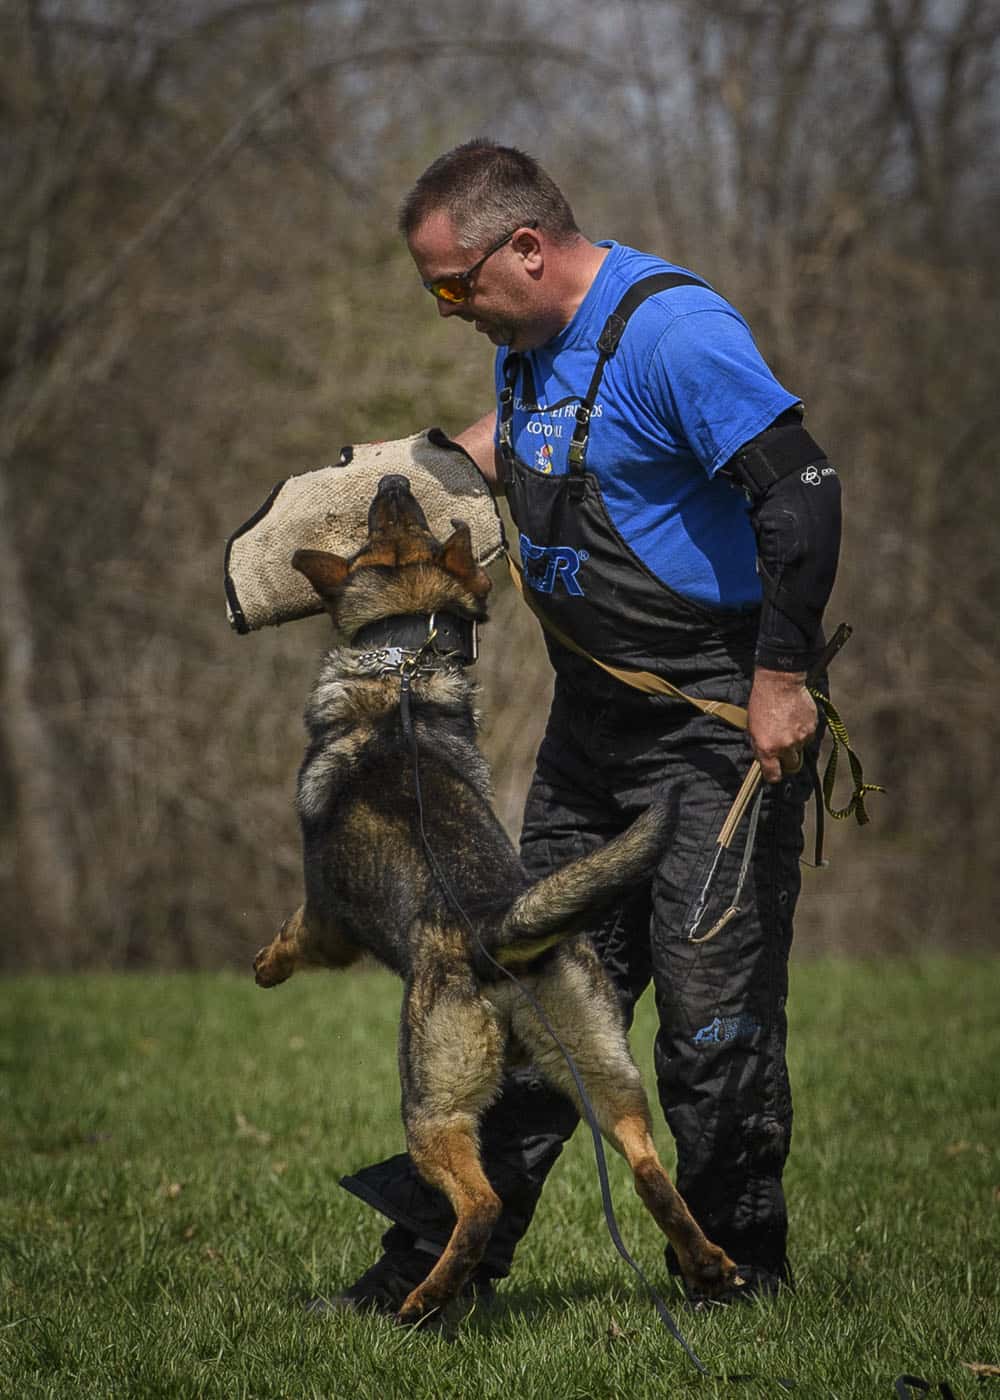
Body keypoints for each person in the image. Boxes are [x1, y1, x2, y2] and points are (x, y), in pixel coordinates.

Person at [331, 140, 841, 1313]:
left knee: (710, 1027)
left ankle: (738, 1284)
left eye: (453, 284)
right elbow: (546, 437)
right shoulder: (526, 346)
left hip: (714, 727)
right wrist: (405, 479)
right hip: (590, 737)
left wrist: (780, 677)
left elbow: (801, 492)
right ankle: (430, 1280)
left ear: (525, 248)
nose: (446, 308)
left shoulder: (674, 333)